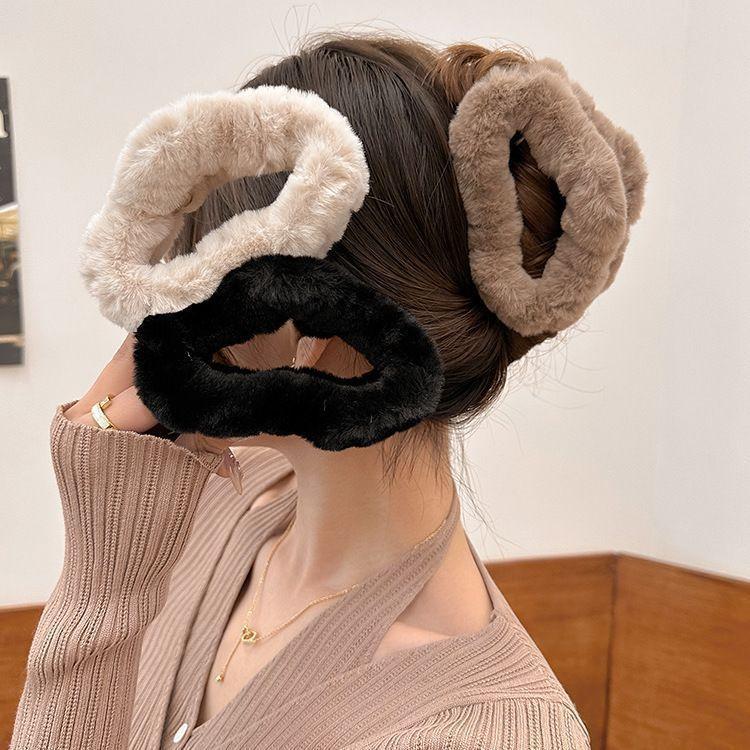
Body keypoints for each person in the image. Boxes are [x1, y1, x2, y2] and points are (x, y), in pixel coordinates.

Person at [11, 34, 644, 749]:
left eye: (205, 266)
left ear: (314, 324)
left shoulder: (482, 734)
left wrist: (102, 585)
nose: (167, 311)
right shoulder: (206, 498)